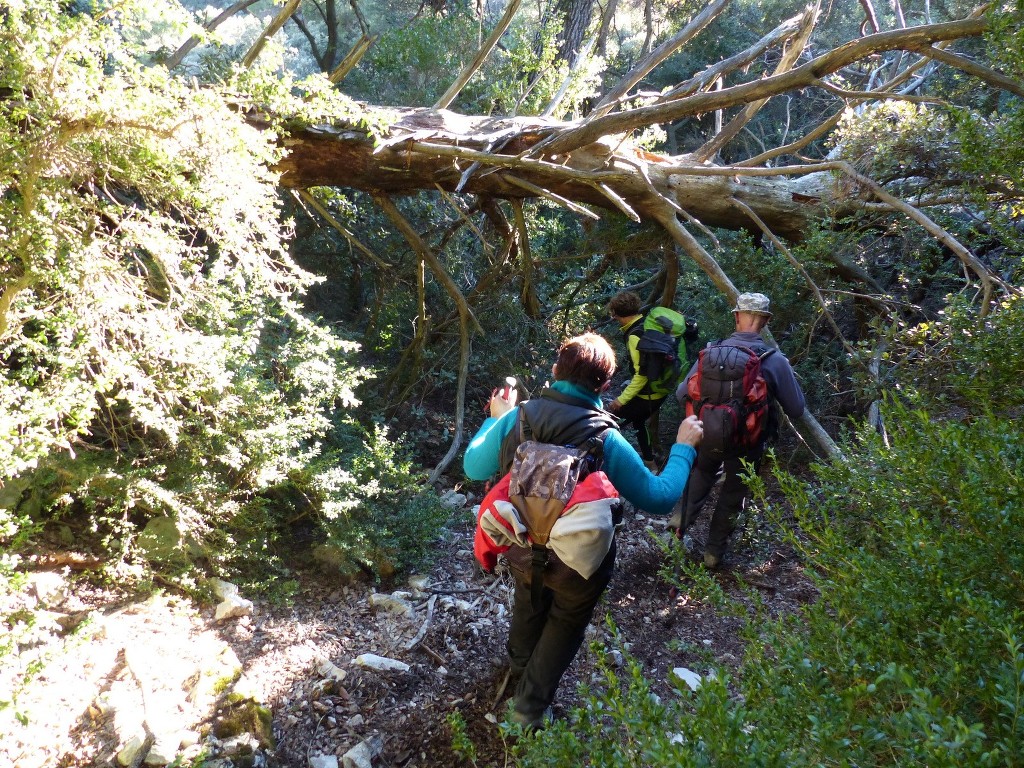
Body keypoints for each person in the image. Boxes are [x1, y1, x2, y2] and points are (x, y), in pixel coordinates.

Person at [464, 333, 703, 730]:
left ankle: (519, 669)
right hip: (579, 560)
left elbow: (473, 467)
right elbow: (660, 498)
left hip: (519, 541)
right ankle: (528, 710)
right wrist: (684, 447)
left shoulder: (518, 417)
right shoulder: (605, 437)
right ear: (605, 385)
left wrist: (494, 417)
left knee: (528, 595)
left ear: (556, 370)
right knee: (565, 622)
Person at [673, 292, 805, 569]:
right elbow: (796, 409)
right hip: (747, 442)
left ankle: (677, 527)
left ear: (736, 316)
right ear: (766, 321)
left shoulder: (710, 351)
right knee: (734, 491)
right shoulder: (774, 360)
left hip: (706, 434)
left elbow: (680, 393)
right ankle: (713, 554)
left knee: (702, 472)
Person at [605, 291, 669, 470]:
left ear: (616, 314)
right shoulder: (647, 324)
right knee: (638, 421)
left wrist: (620, 400)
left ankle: (619, 467)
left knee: (611, 421)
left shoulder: (634, 335)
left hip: (650, 392)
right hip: (662, 387)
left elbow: (641, 375)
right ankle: (650, 463)